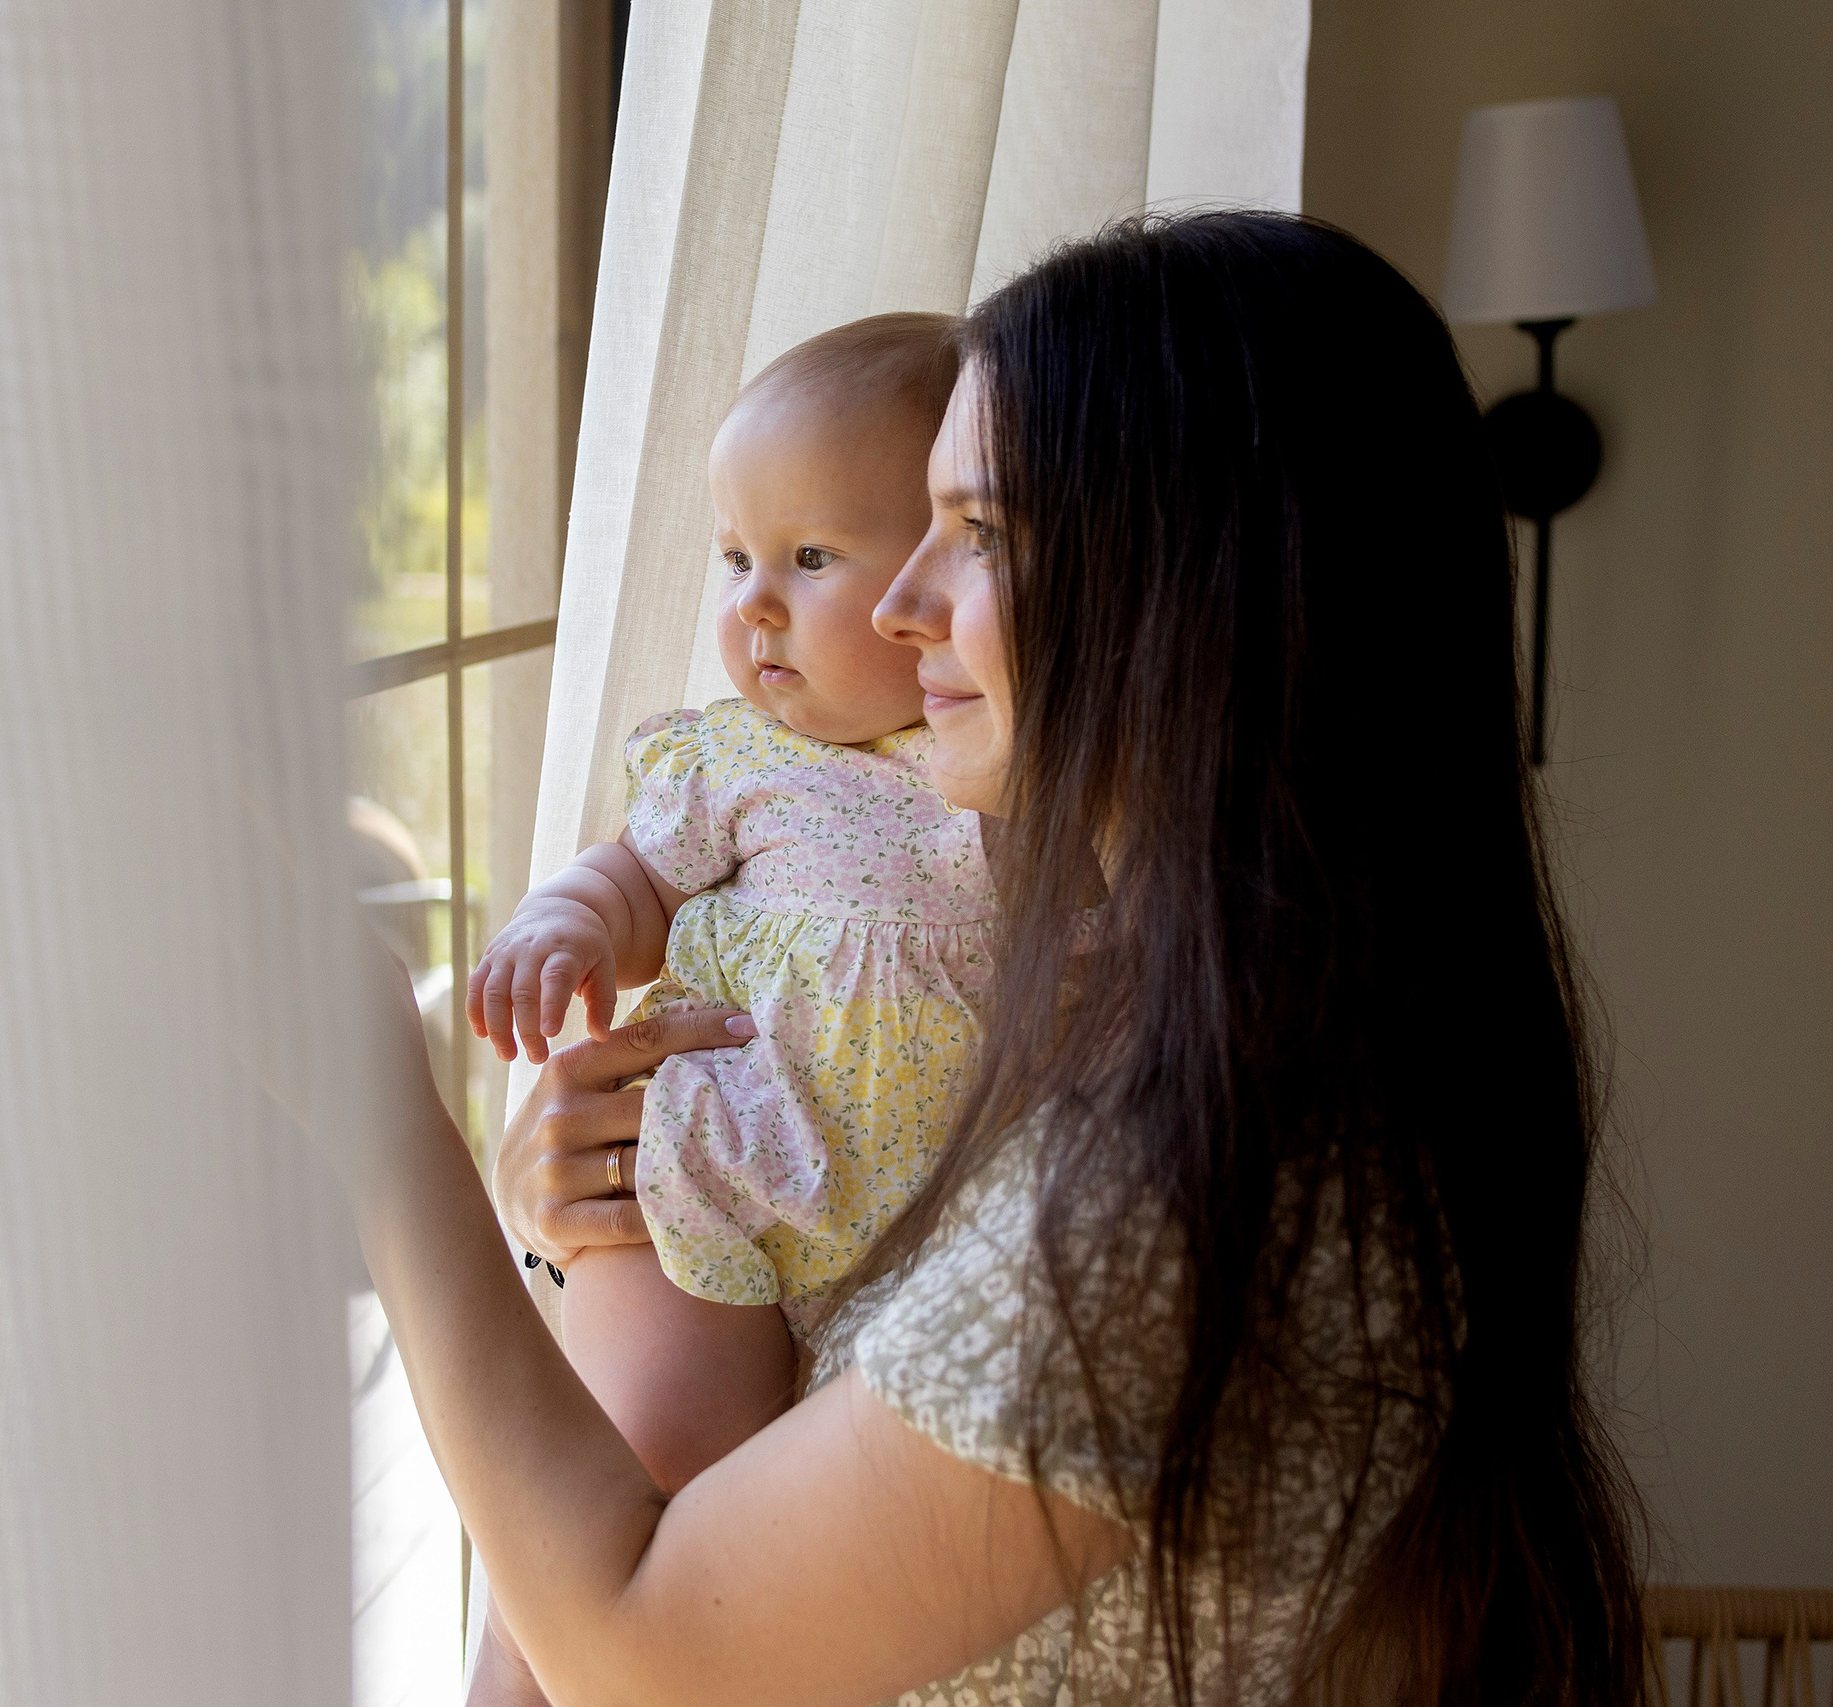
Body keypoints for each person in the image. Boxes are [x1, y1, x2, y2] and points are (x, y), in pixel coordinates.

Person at [331, 211, 1644, 1707]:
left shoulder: (1198, 1192)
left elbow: (640, 1664)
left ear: (1194, 589)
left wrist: (380, 1126)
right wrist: (594, 1222)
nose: (902, 607)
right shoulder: (1196, 1026)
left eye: (982, 534)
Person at [462, 312, 995, 1705]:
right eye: (736, 559)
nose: (756, 604)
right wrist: (570, 921)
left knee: (741, 1578)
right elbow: (636, 878)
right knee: (631, 1500)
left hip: (905, 1226)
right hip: (705, 1176)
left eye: (811, 558)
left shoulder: (1008, 776)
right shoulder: (742, 760)